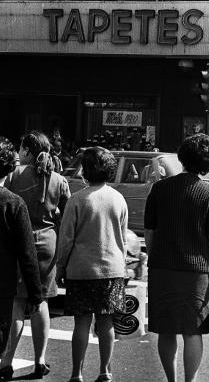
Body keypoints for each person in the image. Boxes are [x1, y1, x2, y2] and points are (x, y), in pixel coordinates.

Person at [144, 134, 209, 382]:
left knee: (166, 329)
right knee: (193, 331)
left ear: (182, 158)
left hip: (162, 268)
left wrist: (157, 253)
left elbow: (149, 232)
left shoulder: (159, 188)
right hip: (197, 271)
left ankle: (171, 380)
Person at [1, 131, 71, 380]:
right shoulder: (59, 180)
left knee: (17, 303)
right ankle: (40, 360)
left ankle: (6, 361)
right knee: (41, 301)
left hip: (20, 244)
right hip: (48, 245)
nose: (19, 152)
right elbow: (66, 215)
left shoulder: (14, 176)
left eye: (22, 148)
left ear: (28, 151)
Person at [56, 147, 128, 382]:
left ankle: (77, 373)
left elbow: (66, 239)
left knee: (81, 323)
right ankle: (105, 371)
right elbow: (123, 238)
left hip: (82, 269)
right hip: (112, 268)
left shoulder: (77, 199)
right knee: (106, 321)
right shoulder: (118, 199)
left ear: (86, 171)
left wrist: (60, 267)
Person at [0, 141, 42, 382]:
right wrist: (35, 295)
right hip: (3, 285)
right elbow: (27, 254)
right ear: (9, 169)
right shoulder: (13, 203)